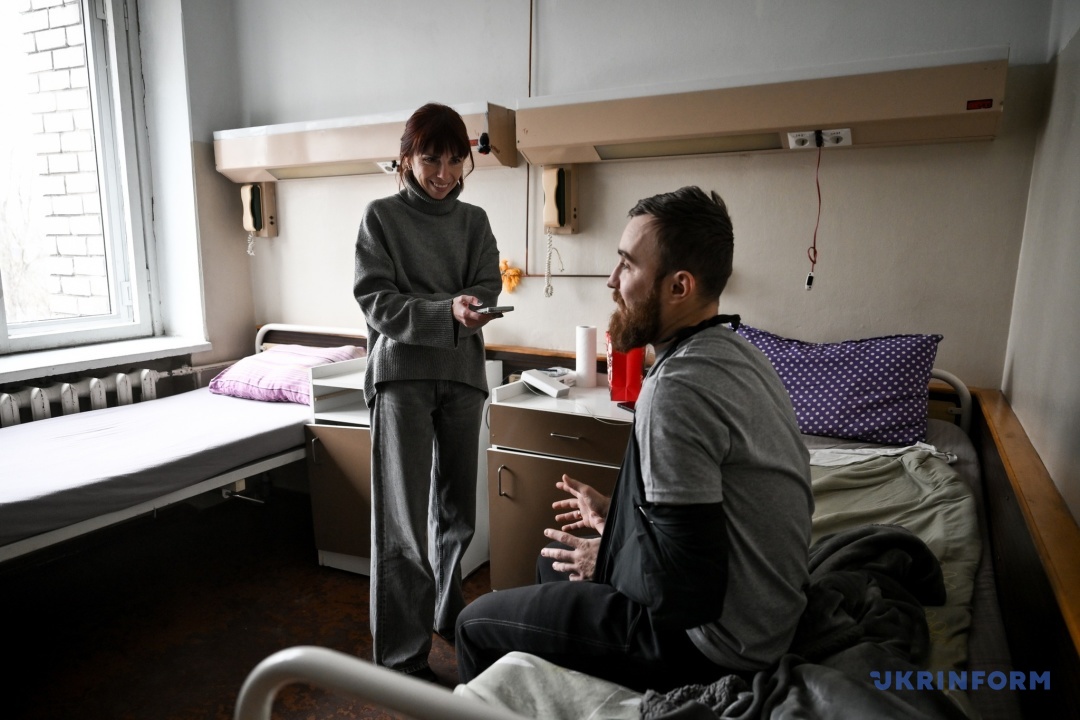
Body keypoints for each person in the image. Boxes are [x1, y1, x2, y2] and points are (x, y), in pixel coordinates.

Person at [455, 186, 813, 692]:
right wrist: (617, 517)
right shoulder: (738, 353)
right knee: (550, 562)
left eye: (626, 264)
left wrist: (605, 556)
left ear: (679, 286)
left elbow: (684, 592)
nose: (611, 280)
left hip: (713, 643)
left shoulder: (677, 390)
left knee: (473, 625)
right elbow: (697, 515)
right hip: (762, 618)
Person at [353, 102, 503, 680]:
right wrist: (447, 310)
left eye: (454, 160)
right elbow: (377, 300)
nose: (443, 173)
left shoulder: (475, 222)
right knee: (403, 524)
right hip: (402, 379)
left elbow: (487, 284)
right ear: (407, 158)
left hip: (463, 376)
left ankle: (446, 611)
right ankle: (401, 655)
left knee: (458, 514)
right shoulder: (381, 218)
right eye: (430, 159)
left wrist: (473, 306)